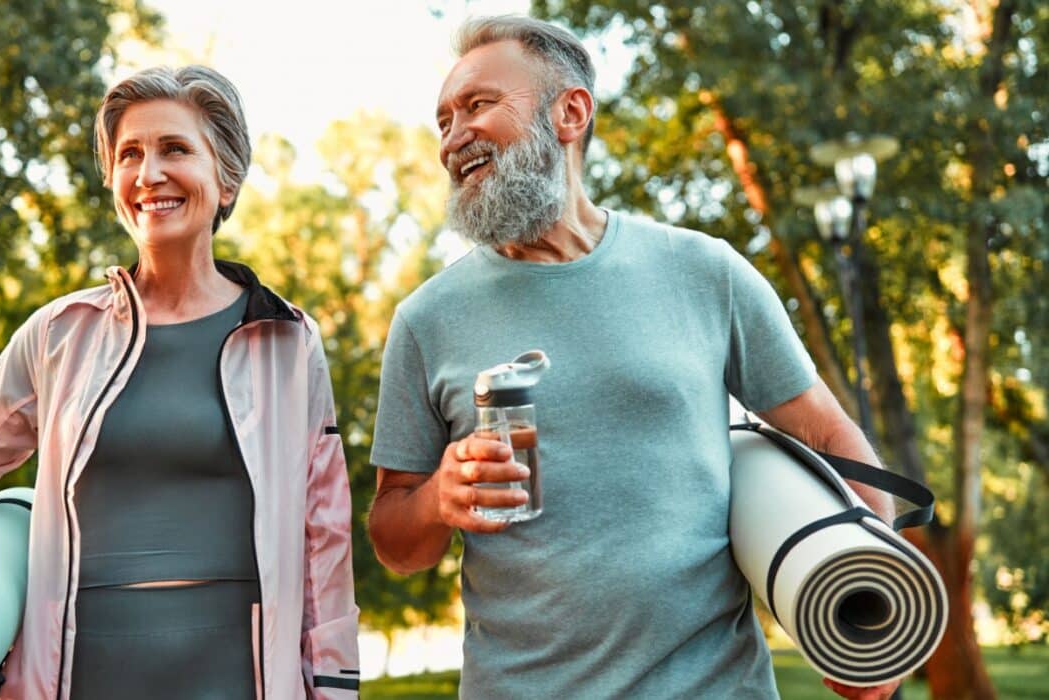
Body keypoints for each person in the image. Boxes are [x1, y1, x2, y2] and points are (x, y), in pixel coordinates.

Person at [366, 16, 900, 700]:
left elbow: (827, 435)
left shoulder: (705, 271)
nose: (453, 138)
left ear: (570, 112)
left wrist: (875, 602)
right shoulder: (426, 320)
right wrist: (439, 497)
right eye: (442, 120)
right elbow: (393, 539)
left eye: (477, 105)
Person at [0, 65, 360, 699]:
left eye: (175, 149)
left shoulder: (287, 339)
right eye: (130, 154)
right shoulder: (58, 334)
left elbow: (325, 534)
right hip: (77, 677)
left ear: (226, 179)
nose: (149, 174)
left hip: (239, 676)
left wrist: (336, 686)